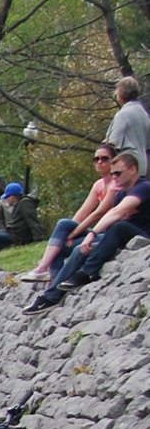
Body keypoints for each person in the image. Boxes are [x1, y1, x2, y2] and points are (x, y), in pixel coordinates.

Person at [27, 146, 150, 310]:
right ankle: (50, 295)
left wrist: (91, 234)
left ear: (133, 169)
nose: (114, 177)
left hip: (142, 237)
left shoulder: (143, 187)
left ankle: (86, 272)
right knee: (75, 247)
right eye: (112, 174)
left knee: (119, 227)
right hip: (119, 236)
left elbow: (116, 212)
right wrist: (82, 236)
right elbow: (110, 214)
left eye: (118, 173)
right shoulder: (120, 193)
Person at [22, 145, 124, 285]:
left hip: (108, 234)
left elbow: (98, 213)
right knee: (60, 245)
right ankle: (53, 281)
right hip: (96, 232)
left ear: (113, 161)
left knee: (64, 225)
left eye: (104, 158)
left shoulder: (116, 185)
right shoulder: (98, 185)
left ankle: (44, 270)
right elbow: (83, 211)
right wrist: (69, 233)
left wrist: (73, 233)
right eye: (96, 159)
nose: (99, 162)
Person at [108, 75, 150, 172]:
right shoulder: (144, 114)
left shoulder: (123, 114)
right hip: (142, 166)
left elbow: (113, 143)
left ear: (121, 93)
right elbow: (148, 144)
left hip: (125, 166)